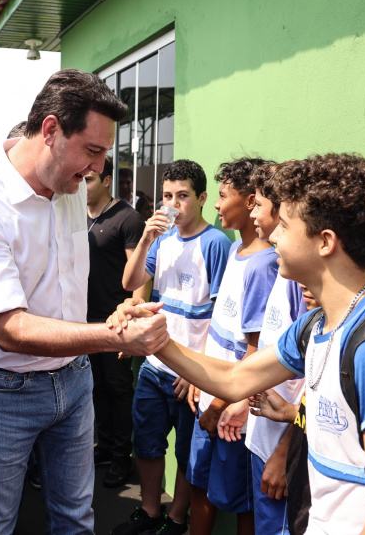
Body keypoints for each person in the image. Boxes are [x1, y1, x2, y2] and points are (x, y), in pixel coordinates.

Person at [116, 154, 365, 535]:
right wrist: (154, 339)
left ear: (325, 242)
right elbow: (234, 379)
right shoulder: (316, 325)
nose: (273, 234)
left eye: (287, 225)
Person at [0, 68, 169, 534]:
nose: (97, 169)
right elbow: (11, 329)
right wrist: (112, 335)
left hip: (74, 379)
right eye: (92, 151)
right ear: (50, 130)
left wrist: (114, 315)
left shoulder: (67, 187)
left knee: (75, 519)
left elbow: (64, 291)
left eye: (104, 154)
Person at [116, 160, 231, 535]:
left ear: (201, 199)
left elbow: (219, 315)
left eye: (183, 196)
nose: (174, 204)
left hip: (190, 372)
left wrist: (198, 371)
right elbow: (130, 281)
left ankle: (176, 519)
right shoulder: (162, 240)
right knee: (147, 443)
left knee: (186, 453)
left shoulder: (215, 243)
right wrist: (147, 238)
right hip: (154, 366)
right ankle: (150, 511)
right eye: (168, 196)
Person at [187, 157, 279, 535]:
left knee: (241, 499)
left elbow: (254, 351)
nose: (217, 205)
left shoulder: (264, 265)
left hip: (231, 406)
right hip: (212, 394)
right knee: (200, 481)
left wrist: (223, 401)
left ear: (250, 200)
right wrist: (201, 377)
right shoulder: (233, 251)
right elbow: (222, 326)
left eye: (223, 196)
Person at [243, 161, 307, 535]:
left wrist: (285, 449)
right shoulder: (283, 271)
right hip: (263, 436)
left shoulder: (304, 287)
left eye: (283, 223)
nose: (254, 213)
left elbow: (313, 382)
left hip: (282, 448)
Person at [85, 155, 147, 488]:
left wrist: (132, 320)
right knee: (95, 389)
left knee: (119, 390)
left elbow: (139, 277)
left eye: (90, 179)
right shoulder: (77, 216)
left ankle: (123, 457)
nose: (83, 185)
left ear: (107, 181)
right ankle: (105, 448)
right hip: (84, 323)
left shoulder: (128, 218)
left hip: (116, 323)